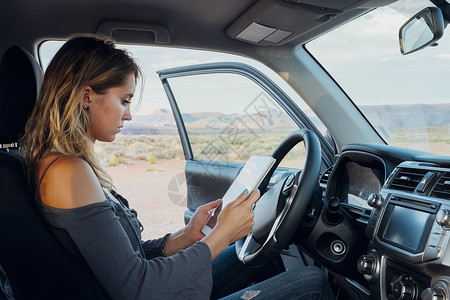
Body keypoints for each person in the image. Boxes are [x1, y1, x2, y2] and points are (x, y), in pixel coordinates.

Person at [22, 33, 334, 300]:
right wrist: (220, 236)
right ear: (87, 96)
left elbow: (122, 258)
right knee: (313, 282)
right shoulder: (67, 171)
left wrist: (186, 235)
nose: (128, 115)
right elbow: (137, 287)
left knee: (255, 257)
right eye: (125, 100)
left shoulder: (62, 164)